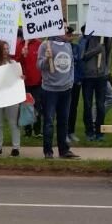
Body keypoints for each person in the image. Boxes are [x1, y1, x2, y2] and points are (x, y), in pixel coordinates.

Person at [36, 24, 79, 160]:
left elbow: (71, 65)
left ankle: (64, 150)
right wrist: (46, 59)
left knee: (63, 121)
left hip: (66, 89)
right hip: (50, 90)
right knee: (49, 121)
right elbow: (39, 66)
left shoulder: (67, 46)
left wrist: (70, 82)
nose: (66, 30)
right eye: (63, 27)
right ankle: (48, 151)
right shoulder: (45, 45)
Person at [79, 29, 112, 142]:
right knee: (88, 105)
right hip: (88, 77)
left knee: (100, 105)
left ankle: (100, 132)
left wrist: (107, 71)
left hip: (101, 77)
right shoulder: (84, 38)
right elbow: (82, 56)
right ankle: (89, 131)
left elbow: (108, 56)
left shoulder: (106, 38)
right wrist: (96, 50)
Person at [19, 32, 43, 137]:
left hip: (38, 82)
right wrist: (22, 54)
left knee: (37, 105)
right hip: (25, 82)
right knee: (26, 106)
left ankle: (37, 130)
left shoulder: (39, 44)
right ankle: (27, 130)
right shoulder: (20, 44)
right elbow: (16, 62)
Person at [65, 25, 83, 143]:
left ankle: (71, 131)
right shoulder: (60, 47)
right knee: (65, 108)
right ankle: (64, 132)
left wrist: (80, 78)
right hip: (65, 82)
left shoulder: (76, 48)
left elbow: (79, 62)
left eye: (71, 35)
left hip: (76, 81)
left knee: (73, 108)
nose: (70, 37)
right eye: (68, 35)